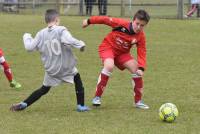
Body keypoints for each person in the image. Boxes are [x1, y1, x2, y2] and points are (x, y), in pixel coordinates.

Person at [10, 9, 90, 112]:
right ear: (56, 19)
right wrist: (81, 44)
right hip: (64, 66)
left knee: (44, 89)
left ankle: (24, 103)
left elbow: (29, 47)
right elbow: (69, 40)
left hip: (51, 69)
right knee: (77, 78)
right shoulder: (61, 30)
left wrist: (26, 36)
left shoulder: (40, 33)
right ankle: (81, 106)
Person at [82, 9, 150, 109]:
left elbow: (142, 51)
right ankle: (97, 97)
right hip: (108, 47)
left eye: (142, 25)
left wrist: (141, 68)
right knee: (109, 66)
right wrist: (89, 21)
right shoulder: (121, 24)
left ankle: (138, 101)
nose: (139, 27)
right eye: (137, 23)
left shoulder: (141, 36)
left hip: (122, 53)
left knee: (136, 69)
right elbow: (105, 20)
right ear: (133, 20)